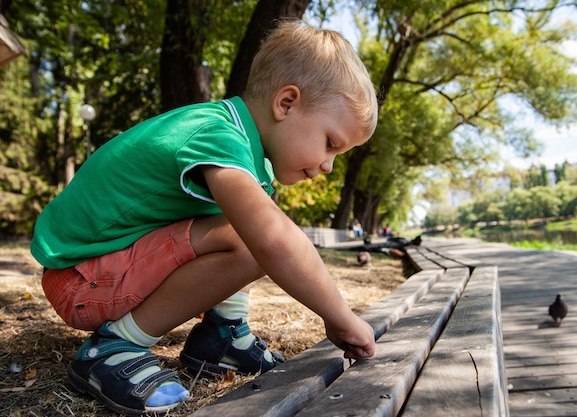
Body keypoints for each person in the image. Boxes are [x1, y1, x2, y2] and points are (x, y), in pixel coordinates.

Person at [30, 20, 378, 416]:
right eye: (330, 143)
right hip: (80, 280)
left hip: (104, 268)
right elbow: (272, 239)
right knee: (256, 233)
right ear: (286, 103)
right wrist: (339, 317)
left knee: (255, 217)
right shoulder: (216, 135)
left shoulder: (240, 149)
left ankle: (222, 337)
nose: (330, 165)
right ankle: (115, 346)